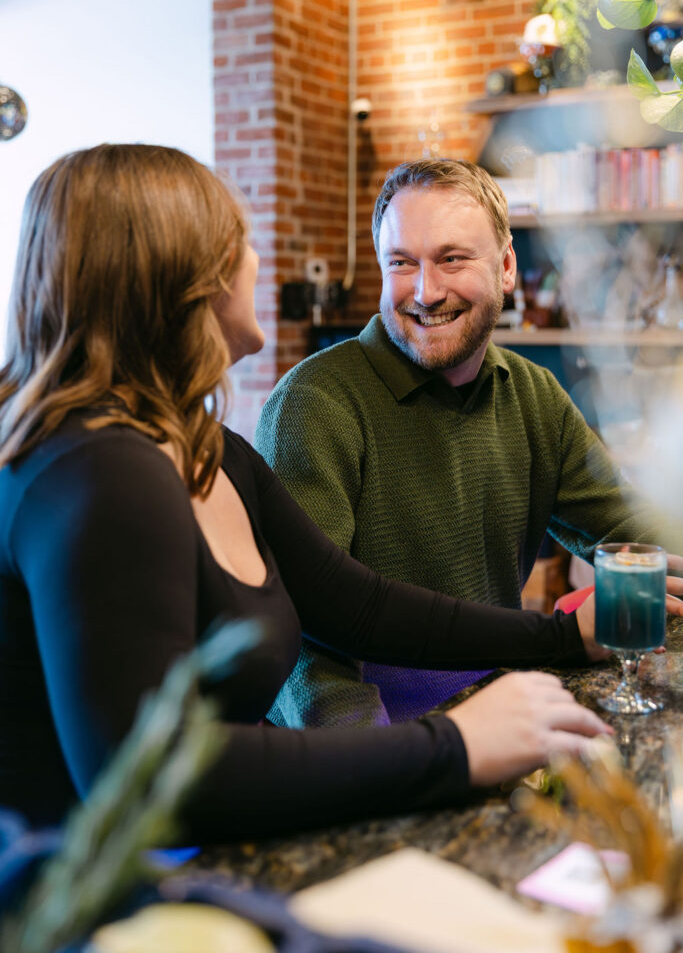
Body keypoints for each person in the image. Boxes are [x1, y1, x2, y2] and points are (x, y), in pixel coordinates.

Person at [0, 144, 615, 841]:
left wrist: (560, 637)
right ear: (182, 277)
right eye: (240, 243)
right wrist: (453, 744)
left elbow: (357, 606)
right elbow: (154, 781)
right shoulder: (99, 470)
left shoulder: (208, 447)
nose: (258, 263)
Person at [255, 158, 683, 728]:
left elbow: (638, 537)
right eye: (401, 263)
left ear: (506, 267)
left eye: (451, 259)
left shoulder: (531, 393)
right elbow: (300, 642)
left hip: (502, 714)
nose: (426, 292)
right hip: (383, 752)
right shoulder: (313, 404)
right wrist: (379, 761)